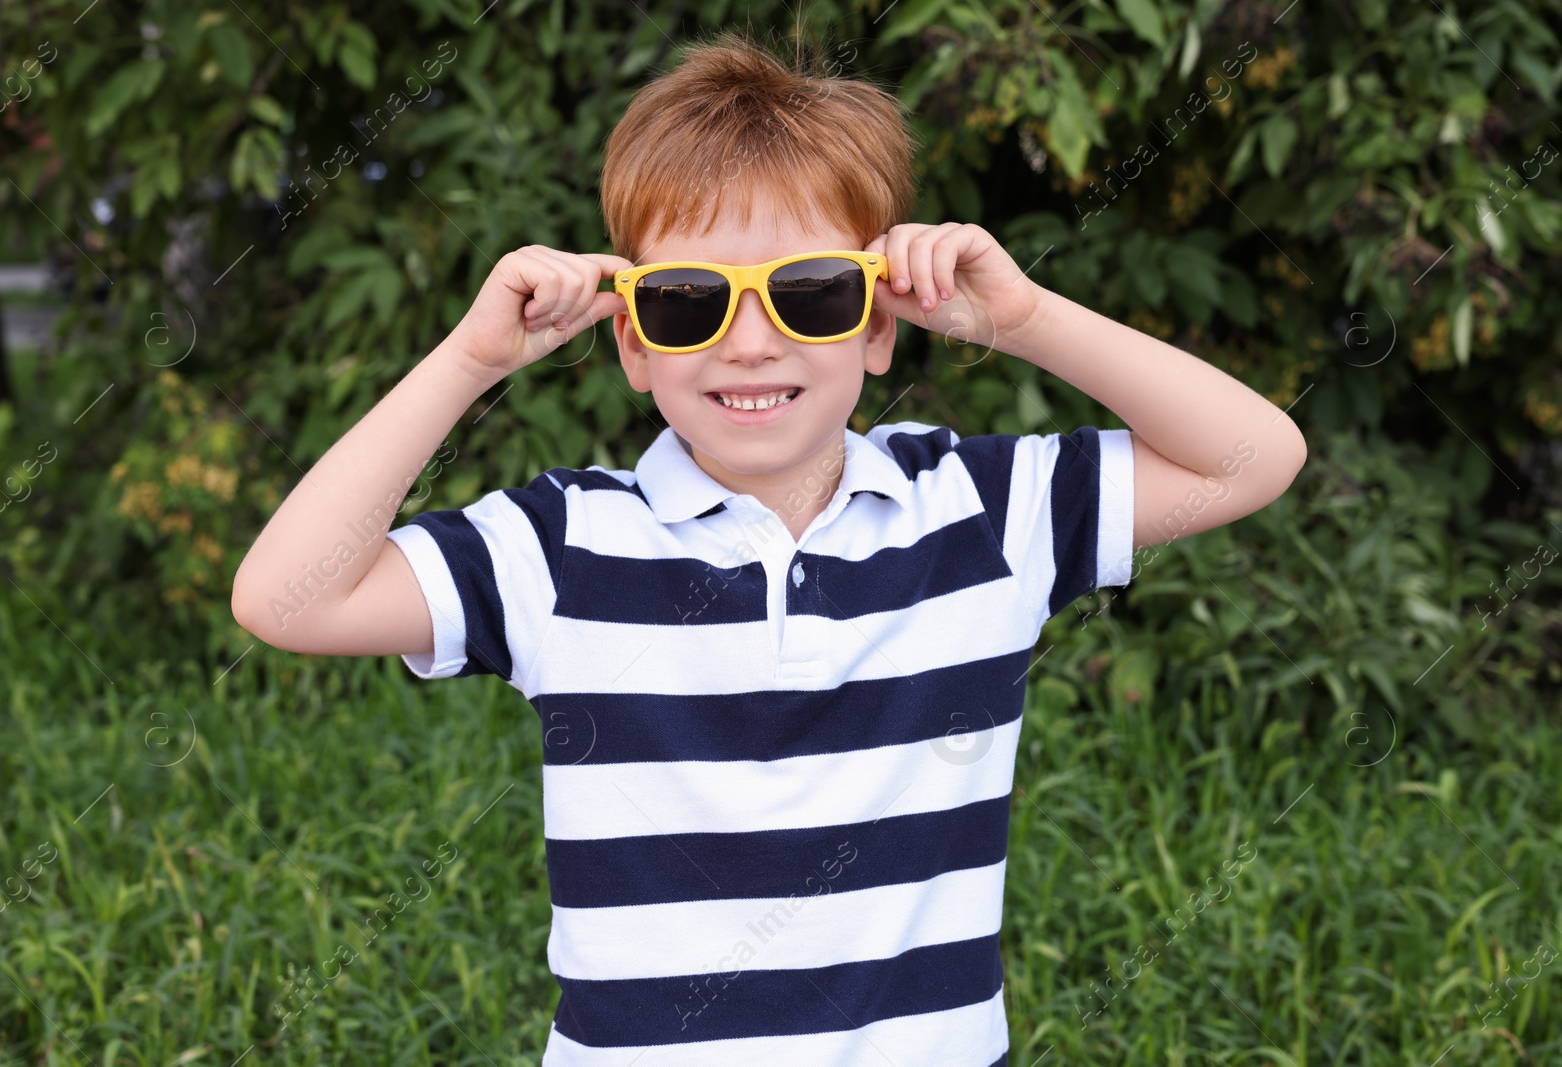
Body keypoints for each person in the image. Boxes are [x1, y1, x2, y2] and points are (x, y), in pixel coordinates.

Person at [232, 25, 1307, 1067]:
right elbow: (287, 600)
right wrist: (469, 360)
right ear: (633, 342)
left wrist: (1025, 319)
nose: (752, 339)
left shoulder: (983, 514)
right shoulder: (561, 547)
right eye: (690, 301)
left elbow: (1251, 455)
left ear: (879, 325)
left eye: (810, 292)